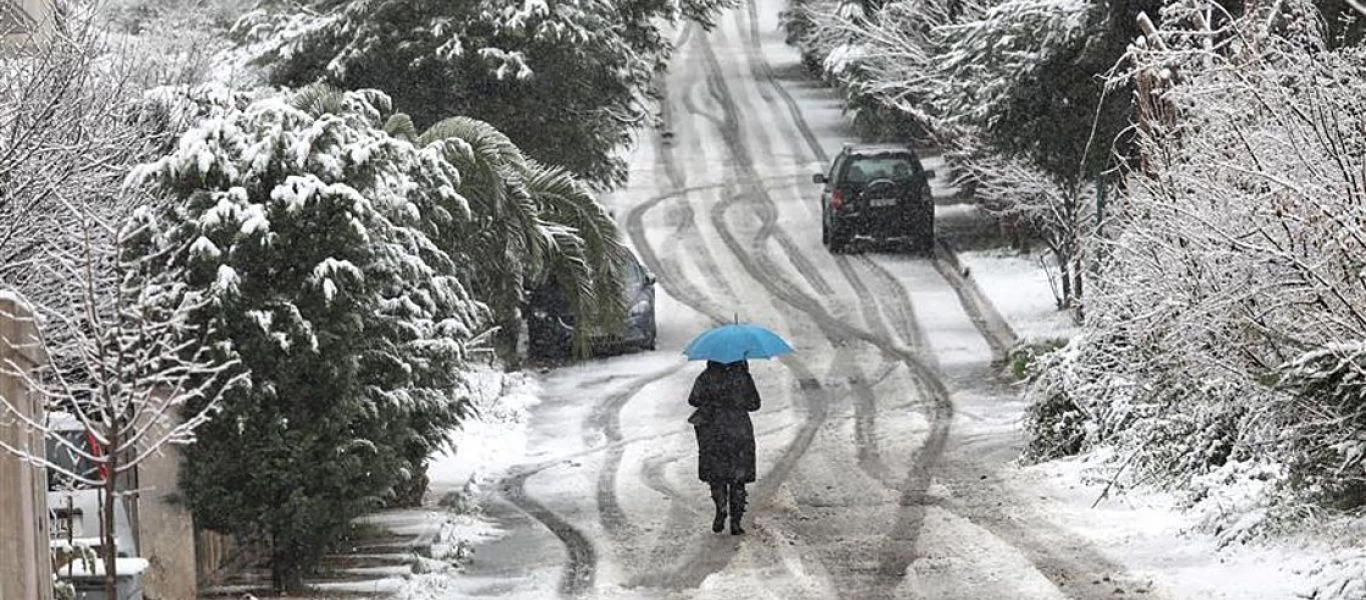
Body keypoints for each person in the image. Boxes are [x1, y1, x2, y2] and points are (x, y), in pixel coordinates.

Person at [687, 360, 761, 535]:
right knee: (738, 478)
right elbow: (755, 404)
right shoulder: (743, 377)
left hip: (713, 431)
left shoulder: (706, 377)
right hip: (739, 431)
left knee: (717, 475)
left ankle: (720, 507)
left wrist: (712, 401)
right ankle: (736, 522)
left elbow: (693, 400)